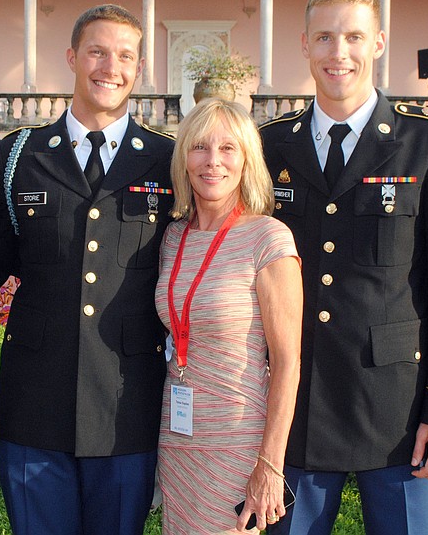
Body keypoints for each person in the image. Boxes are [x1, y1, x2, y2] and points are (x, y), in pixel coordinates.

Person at [260, 0, 428, 535]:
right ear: (305, 45)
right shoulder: (270, 144)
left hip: (399, 410)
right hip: (299, 404)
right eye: (326, 38)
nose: (340, 53)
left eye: (355, 37)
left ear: (378, 44)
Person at [0, 4, 175, 535]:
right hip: (34, 402)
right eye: (98, 51)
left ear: (138, 68)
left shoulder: (167, 159)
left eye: (125, 56)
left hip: (126, 403)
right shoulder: (20, 154)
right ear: (71, 57)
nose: (111, 67)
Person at [155, 98, 301, 534]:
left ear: (246, 161)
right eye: (200, 147)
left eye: (228, 148)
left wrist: (270, 464)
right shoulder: (173, 237)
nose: (212, 161)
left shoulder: (268, 239)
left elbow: (288, 362)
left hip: (238, 444)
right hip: (177, 437)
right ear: (184, 157)